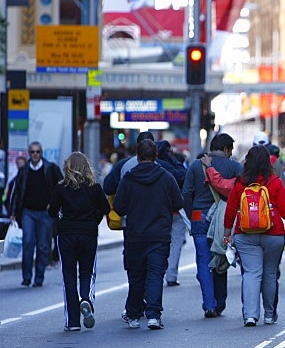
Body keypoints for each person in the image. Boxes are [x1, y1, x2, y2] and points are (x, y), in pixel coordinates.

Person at [223, 145, 285, 327]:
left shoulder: (240, 183)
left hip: (245, 235)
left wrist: (227, 234)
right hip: (273, 234)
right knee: (270, 274)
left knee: (251, 274)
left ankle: (250, 315)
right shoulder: (274, 182)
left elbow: (230, 210)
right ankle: (268, 314)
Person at [113, 139, 184, 330]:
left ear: (137, 156)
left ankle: (134, 315)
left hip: (135, 235)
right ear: (156, 156)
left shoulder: (128, 178)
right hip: (159, 235)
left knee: (136, 277)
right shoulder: (167, 177)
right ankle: (153, 315)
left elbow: (118, 207)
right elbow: (178, 202)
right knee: (155, 275)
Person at [182, 133, 242, 318]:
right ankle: (220, 302)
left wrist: (193, 214)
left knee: (203, 260)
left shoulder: (195, 165)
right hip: (223, 219)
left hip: (199, 216)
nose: (231, 154)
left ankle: (209, 304)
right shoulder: (234, 167)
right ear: (226, 149)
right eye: (230, 150)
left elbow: (186, 194)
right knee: (220, 256)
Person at [47, 152, 109, 332]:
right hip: (88, 233)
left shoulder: (61, 187)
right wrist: (93, 219)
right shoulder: (94, 187)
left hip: (66, 234)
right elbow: (105, 208)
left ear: (68, 166)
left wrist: (62, 219)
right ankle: (86, 298)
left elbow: (52, 212)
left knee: (68, 276)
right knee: (88, 271)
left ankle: (72, 321)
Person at [10, 142, 62, 287]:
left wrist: (54, 204)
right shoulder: (24, 170)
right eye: (32, 152)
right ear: (29, 153)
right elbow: (17, 192)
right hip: (28, 211)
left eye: (37, 152)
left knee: (43, 245)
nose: (35, 155)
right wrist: (13, 212)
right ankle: (26, 277)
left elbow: (60, 188)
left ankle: (39, 277)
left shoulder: (51, 168)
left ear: (41, 153)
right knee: (27, 242)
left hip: (45, 213)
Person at [155, 140, 188, 287]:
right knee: (176, 243)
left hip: (159, 211)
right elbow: (184, 175)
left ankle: (158, 272)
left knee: (159, 243)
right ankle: (171, 275)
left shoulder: (153, 167)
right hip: (176, 210)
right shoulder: (172, 167)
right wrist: (174, 160)